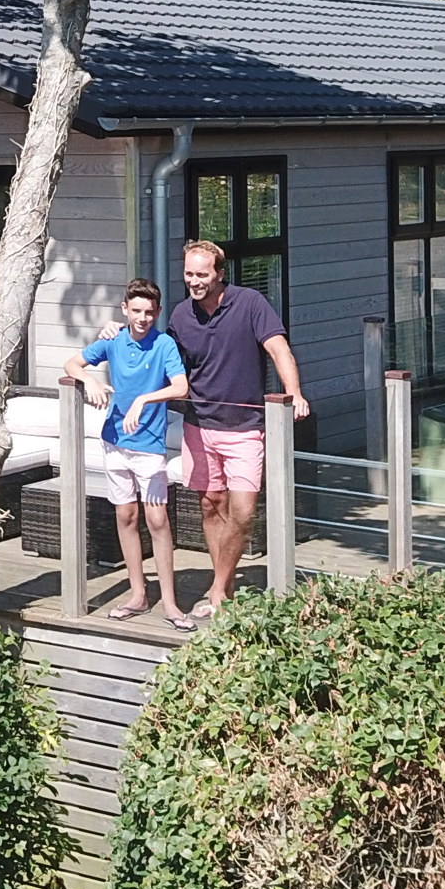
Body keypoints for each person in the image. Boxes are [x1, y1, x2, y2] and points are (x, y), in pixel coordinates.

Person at [165, 239, 306, 621]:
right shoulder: (180, 315)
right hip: (198, 424)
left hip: (245, 426)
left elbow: (279, 349)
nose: (194, 281)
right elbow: (161, 358)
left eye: (202, 274)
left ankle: (215, 587)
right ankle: (222, 589)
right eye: (189, 274)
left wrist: (293, 393)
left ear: (220, 274)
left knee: (243, 513)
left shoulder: (250, 303)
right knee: (211, 504)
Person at [67, 279, 194, 630]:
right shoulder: (113, 339)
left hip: (149, 445)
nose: (142, 318)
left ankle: (170, 602)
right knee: (125, 515)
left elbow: (180, 386)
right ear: (124, 309)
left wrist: (143, 399)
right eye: (136, 311)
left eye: (149, 312)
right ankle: (138, 594)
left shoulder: (164, 344)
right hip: (114, 441)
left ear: (157, 313)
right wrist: (90, 381)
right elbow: (72, 364)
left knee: (157, 520)